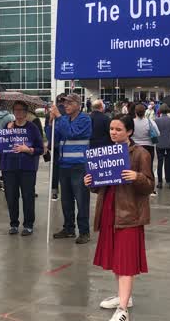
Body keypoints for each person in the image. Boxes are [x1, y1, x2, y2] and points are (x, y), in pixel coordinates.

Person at [85, 115, 155, 321]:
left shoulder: (141, 153)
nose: (113, 132)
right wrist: (90, 181)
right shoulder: (105, 153)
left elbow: (150, 185)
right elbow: (98, 186)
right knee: (116, 258)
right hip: (109, 209)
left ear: (129, 131)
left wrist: (137, 177)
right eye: (111, 129)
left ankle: (123, 309)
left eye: (118, 129)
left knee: (125, 260)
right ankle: (125, 297)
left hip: (130, 213)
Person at [51, 93, 92, 244]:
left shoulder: (84, 119)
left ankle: (84, 231)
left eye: (69, 103)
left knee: (81, 200)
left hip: (79, 165)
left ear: (78, 105)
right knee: (66, 200)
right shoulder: (64, 119)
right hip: (64, 165)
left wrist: (59, 118)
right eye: (64, 103)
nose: (65, 106)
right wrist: (51, 123)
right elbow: (53, 139)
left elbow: (71, 133)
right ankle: (68, 228)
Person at [0, 101, 44, 236]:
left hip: (27, 168)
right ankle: (13, 223)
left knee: (28, 196)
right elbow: (0, 148)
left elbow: (40, 149)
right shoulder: (6, 127)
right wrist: (8, 132)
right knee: (11, 197)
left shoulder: (32, 128)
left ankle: (28, 224)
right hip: (9, 167)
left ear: (26, 112)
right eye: (16, 110)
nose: (18, 113)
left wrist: (28, 149)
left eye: (21, 110)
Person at [45, 94, 67, 201]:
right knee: (66, 168)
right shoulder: (68, 112)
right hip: (65, 144)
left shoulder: (51, 113)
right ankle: (66, 191)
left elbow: (47, 129)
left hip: (54, 144)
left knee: (54, 169)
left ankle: (54, 191)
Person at [133, 104, 159, 189]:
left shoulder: (132, 122)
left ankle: (136, 186)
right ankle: (151, 187)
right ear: (145, 112)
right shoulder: (150, 122)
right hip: (148, 147)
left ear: (135, 112)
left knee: (135, 167)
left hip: (135, 147)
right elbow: (158, 133)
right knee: (149, 167)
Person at [154, 104, 170, 189]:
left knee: (160, 163)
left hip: (160, 144)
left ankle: (160, 182)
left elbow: (155, 133)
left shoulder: (156, 120)